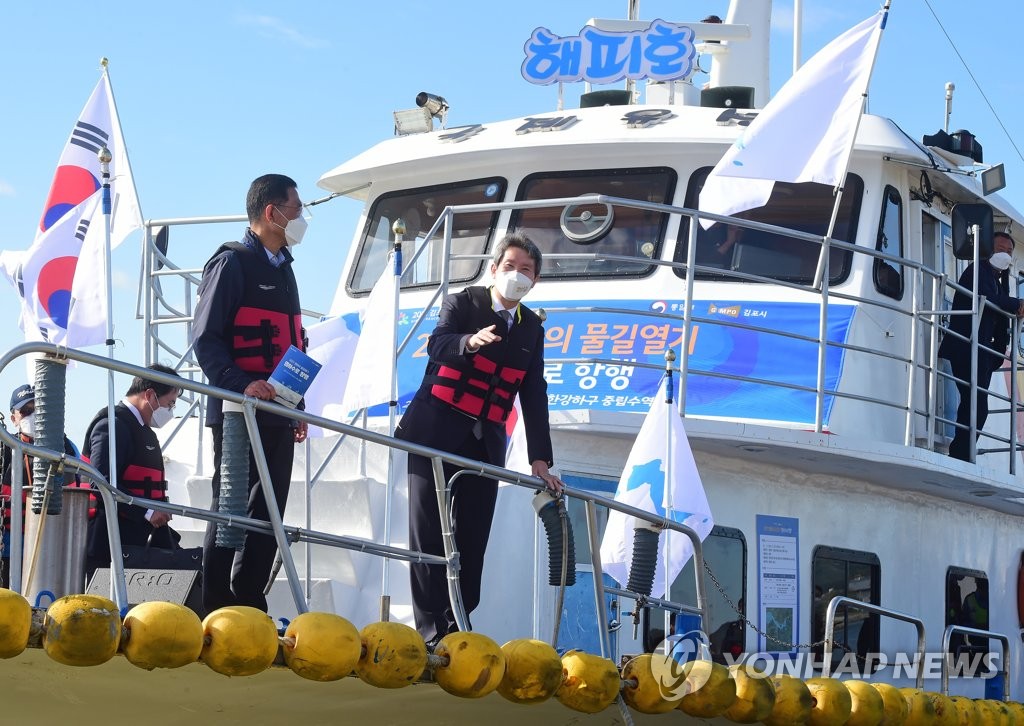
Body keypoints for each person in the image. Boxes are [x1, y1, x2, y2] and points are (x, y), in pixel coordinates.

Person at [396, 232, 563, 646]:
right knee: (428, 534)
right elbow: (437, 344)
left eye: (526, 270)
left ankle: (458, 628)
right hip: (433, 433)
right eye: (510, 266)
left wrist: (540, 459)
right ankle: (430, 633)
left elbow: (533, 392)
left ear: (535, 281)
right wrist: (469, 342)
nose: (517, 275)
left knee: (473, 542)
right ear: (494, 269)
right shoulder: (463, 302)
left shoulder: (532, 330)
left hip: (484, 443)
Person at [192, 173, 309, 613]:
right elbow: (206, 339)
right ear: (271, 212)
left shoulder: (287, 273)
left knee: (270, 508)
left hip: (279, 409)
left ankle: (248, 598)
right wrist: (241, 385)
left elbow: (291, 346)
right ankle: (214, 600)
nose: (301, 218)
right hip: (239, 409)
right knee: (232, 502)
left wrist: (298, 405)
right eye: (297, 209)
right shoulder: (232, 264)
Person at [83, 365, 182, 575]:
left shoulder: (143, 429)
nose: (171, 410)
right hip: (114, 541)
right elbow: (100, 481)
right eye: (170, 403)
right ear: (150, 395)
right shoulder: (112, 425)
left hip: (141, 539)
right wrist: (147, 511)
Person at [938, 232, 1024, 461]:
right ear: (988, 249)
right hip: (965, 347)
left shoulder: (998, 280)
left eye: (1008, 252)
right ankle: (960, 454)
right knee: (975, 404)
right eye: (1000, 249)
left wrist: (997, 352)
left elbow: (999, 317)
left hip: (980, 351)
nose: (1004, 255)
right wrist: (1017, 304)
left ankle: (962, 453)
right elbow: (986, 298)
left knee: (975, 404)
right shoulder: (977, 271)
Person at [0, 384, 80, 587]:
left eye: (39, 409)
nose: (33, 415)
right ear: (13, 419)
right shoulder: (4, 449)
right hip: (9, 545)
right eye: (26, 411)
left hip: (57, 542)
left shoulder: (67, 448)